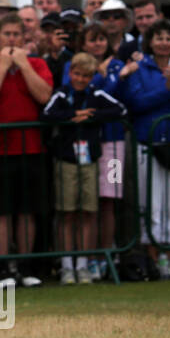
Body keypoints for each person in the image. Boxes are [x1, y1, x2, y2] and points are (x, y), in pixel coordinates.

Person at [0, 13, 53, 288]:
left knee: (27, 210)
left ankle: (26, 266)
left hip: (32, 147)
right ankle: (4, 269)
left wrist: (24, 66)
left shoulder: (38, 63)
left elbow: (44, 96)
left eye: (16, 35)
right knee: (1, 211)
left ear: (24, 37)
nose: (11, 40)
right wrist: (3, 67)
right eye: (6, 35)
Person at [117, 18, 170, 279]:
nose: (164, 43)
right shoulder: (139, 68)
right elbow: (137, 103)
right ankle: (151, 260)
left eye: (169, 38)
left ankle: (168, 259)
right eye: (159, 38)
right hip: (148, 143)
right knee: (151, 204)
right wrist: (169, 88)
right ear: (150, 42)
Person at [42, 53, 126, 284]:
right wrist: (72, 115)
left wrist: (92, 115)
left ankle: (85, 263)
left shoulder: (96, 94)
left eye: (86, 75)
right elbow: (47, 114)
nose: (80, 79)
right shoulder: (61, 93)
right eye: (77, 74)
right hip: (67, 159)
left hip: (91, 160)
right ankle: (68, 265)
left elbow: (120, 110)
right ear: (71, 73)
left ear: (92, 77)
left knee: (89, 211)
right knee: (67, 212)